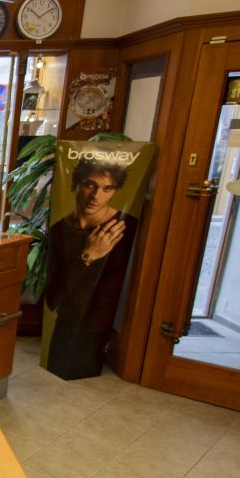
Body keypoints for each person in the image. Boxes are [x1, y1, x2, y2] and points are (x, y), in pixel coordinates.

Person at [44, 155, 138, 378]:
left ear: (115, 191)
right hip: (65, 324)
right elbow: (53, 298)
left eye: (107, 188)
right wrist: (89, 255)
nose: (96, 196)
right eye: (90, 185)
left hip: (100, 327)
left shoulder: (126, 227)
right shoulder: (59, 229)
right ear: (76, 183)